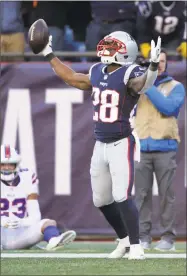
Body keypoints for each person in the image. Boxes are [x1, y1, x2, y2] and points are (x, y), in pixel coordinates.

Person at [30, 27, 162, 259]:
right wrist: (48, 53)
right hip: (100, 142)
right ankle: (124, 241)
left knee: (122, 195)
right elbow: (71, 77)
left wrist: (152, 67)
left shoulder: (132, 72)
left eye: (113, 46)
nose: (107, 48)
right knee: (101, 199)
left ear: (125, 52)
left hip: (122, 142)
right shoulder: (97, 70)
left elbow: (143, 85)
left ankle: (136, 246)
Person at [134, 49, 185, 250]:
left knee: (166, 195)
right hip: (141, 146)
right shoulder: (138, 85)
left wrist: (147, 85)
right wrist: (140, 77)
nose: (160, 64)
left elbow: (168, 108)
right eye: (156, 61)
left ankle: (168, 238)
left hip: (165, 147)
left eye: (162, 61)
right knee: (141, 195)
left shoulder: (176, 86)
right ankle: (142, 237)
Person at [0, 145, 76, 250]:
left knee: (48, 223)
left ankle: (54, 241)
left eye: (10, 164)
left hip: (20, 233)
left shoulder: (26, 177)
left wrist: (21, 222)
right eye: (3, 164)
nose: (7, 168)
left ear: (16, 165)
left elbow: (35, 216)